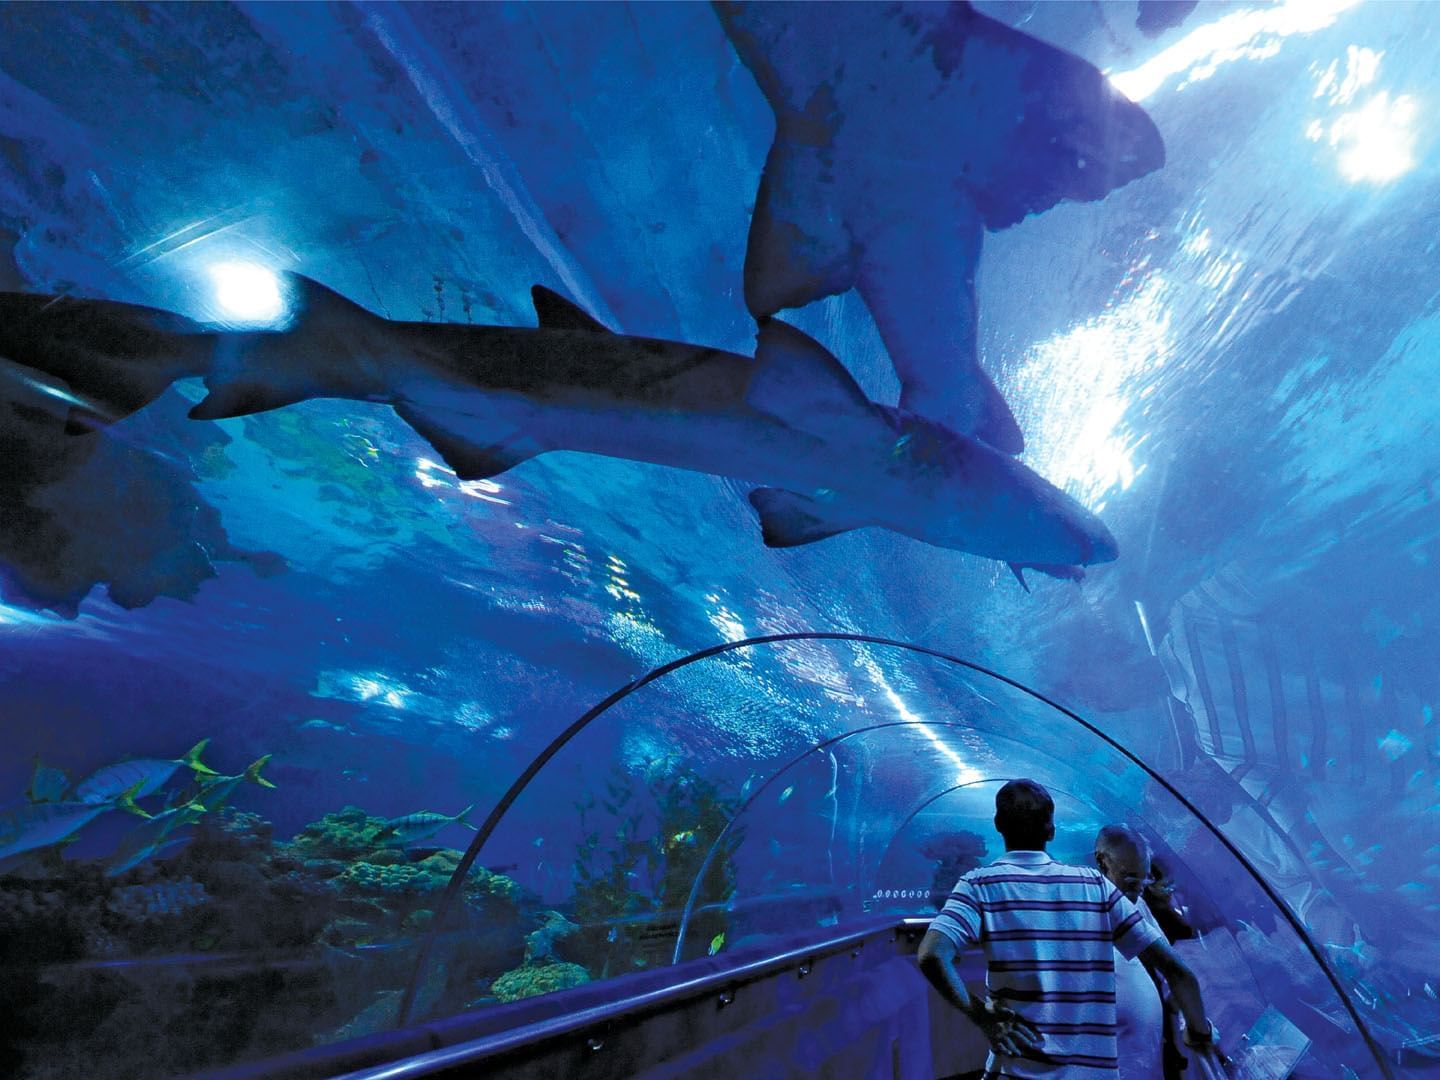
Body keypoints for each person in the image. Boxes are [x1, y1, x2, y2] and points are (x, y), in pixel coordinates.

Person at [917, 780, 1221, 1078]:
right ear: (1051, 829)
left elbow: (931, 955)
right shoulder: (1095, 885)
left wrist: (982, 1017)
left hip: (1018, 1069)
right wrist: (1198, 1033)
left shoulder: (977, 885)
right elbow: (1179, 972)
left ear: (998, 824)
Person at [1093, 824, 1171, 1080]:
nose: (1138, 889)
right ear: (1103, 864)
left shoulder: (1138, 904)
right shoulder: (1084, 910)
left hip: (1146, 1056)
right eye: (1130, 880)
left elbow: (1169, 967)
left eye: (1144, 879)